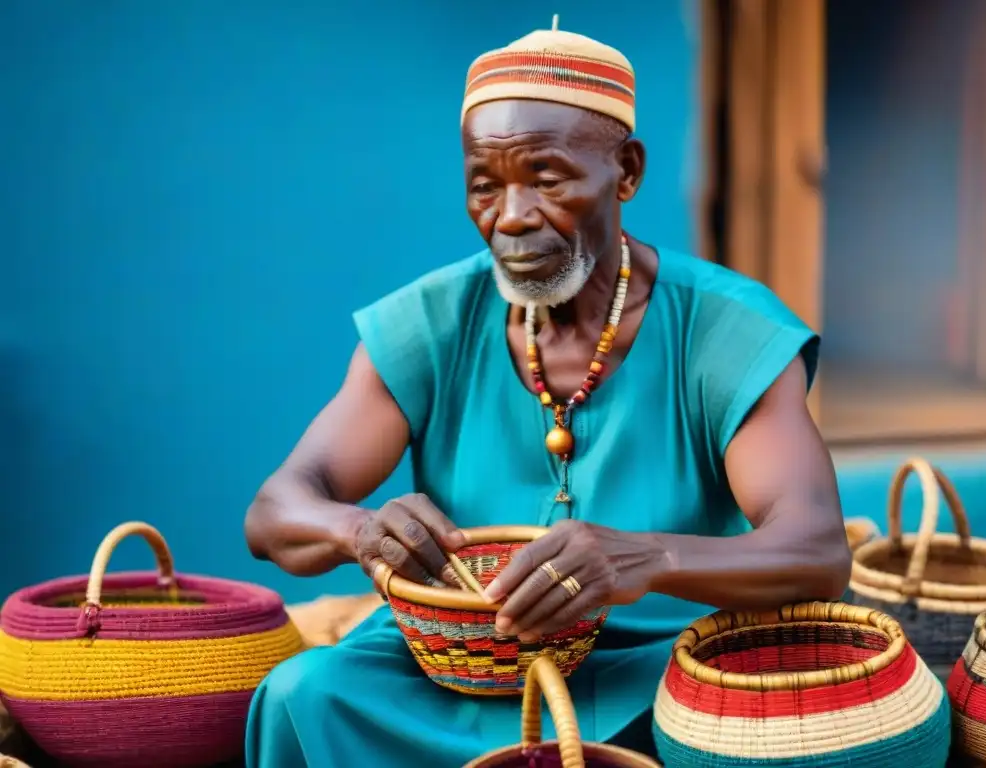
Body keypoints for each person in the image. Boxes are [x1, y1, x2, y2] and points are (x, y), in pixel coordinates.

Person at [242, 20, 851, 767]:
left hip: (666, 666)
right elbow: (276, 512)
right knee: (303, 696)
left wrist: (644, 558)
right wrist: (360, 531)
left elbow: (816, 548)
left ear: (626, 172)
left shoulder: (724, 331)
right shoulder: (431, 322)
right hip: (462, 667)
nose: (512, 216)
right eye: (484, 186)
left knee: (712, 737)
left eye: (548, 177)